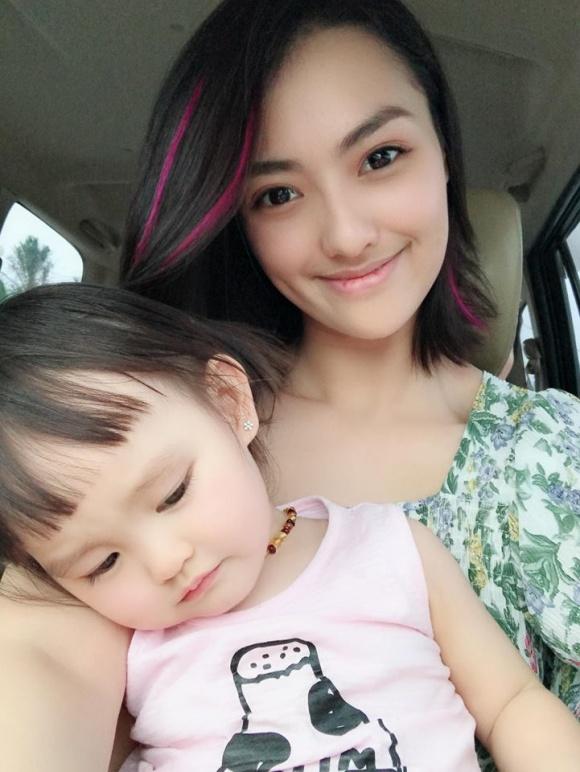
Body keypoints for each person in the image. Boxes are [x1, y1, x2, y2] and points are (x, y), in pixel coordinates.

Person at [0, 2, 578, 770]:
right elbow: (40, 670)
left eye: (380, 156)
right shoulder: (123, 468)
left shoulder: (554, 453)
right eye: (277, 194)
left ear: (444, 149)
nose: (346, 235)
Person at [0, 283, 579, 772]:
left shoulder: (394, 548)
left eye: (172, 493)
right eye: (103, 563)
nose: (165, 561)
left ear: (229, 403)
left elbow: (511, 702)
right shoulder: (123, 648)